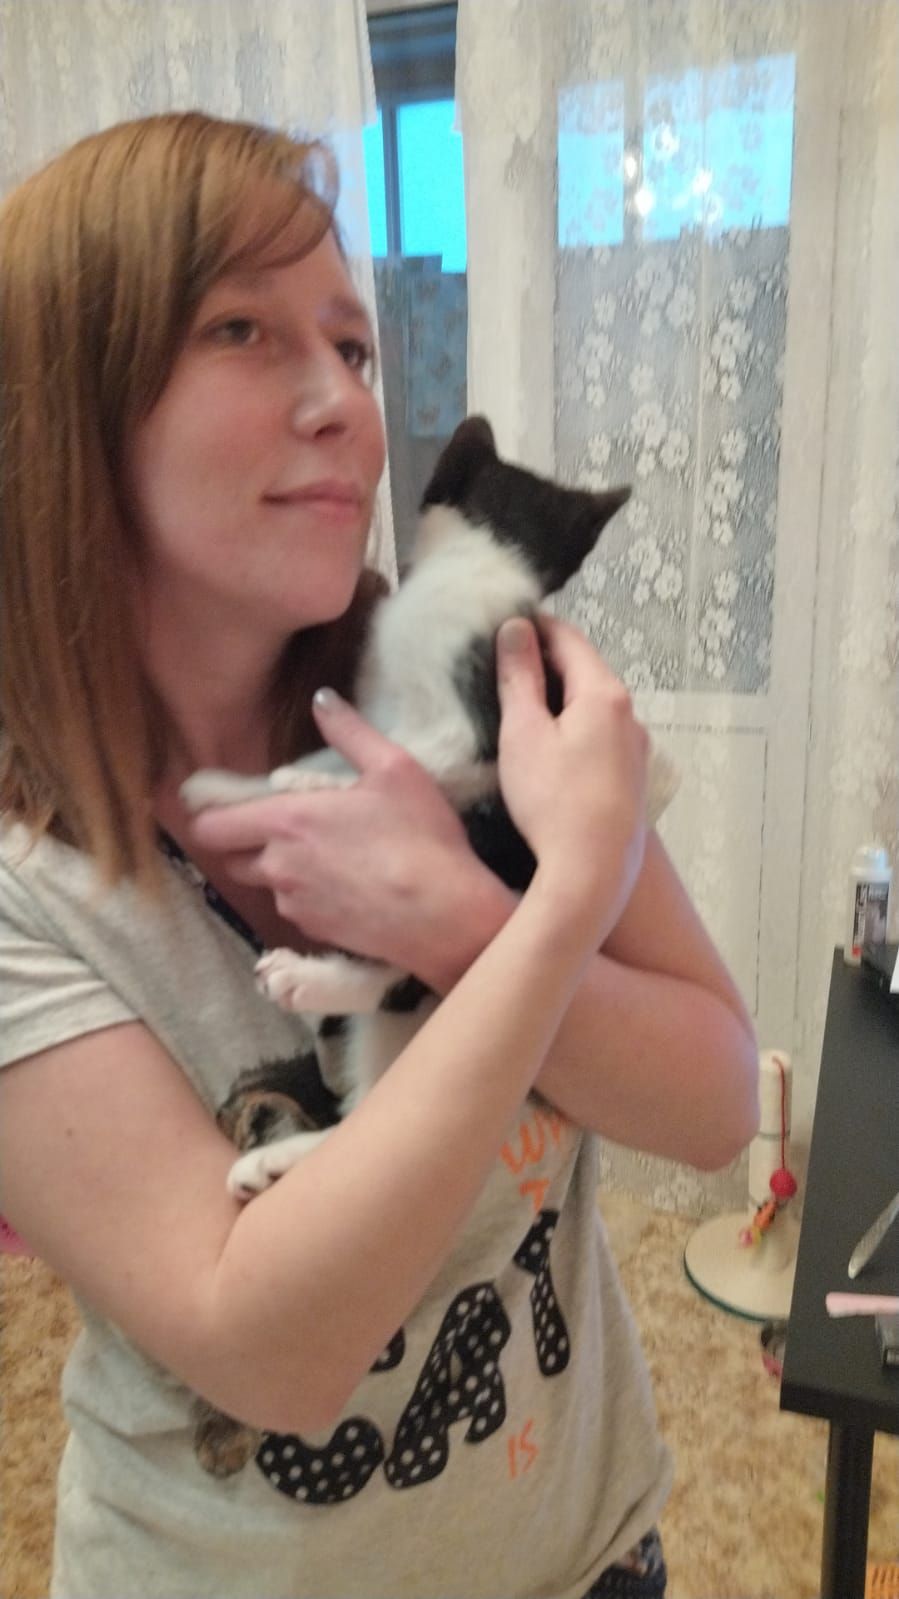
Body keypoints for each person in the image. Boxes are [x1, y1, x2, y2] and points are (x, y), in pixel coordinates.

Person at [0, 111, 758, 1599]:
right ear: (64, 413)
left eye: (352, 346)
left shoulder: (500, 690)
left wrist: (463, 925)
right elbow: (276, 1351)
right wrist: (548, 916)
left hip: (589, 1556)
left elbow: (717, 1102)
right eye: (242, 328)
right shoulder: (32, 889)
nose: (345, 401)